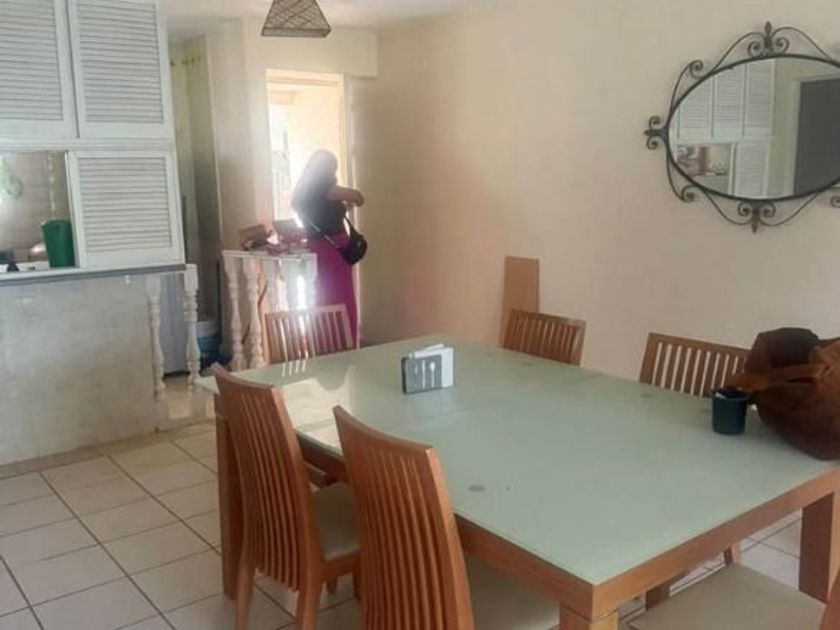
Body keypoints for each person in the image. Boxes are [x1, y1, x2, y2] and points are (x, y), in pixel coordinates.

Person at [292, 150, 365, 344]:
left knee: (322, 296)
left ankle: (323, 343)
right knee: (342, 297)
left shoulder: (302, 193)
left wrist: (340, 207)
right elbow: (359, 197)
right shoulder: (328, 188)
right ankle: (346, 342)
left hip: (315, 248)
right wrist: (346, 202)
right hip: (336, 248)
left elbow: (320, 215)